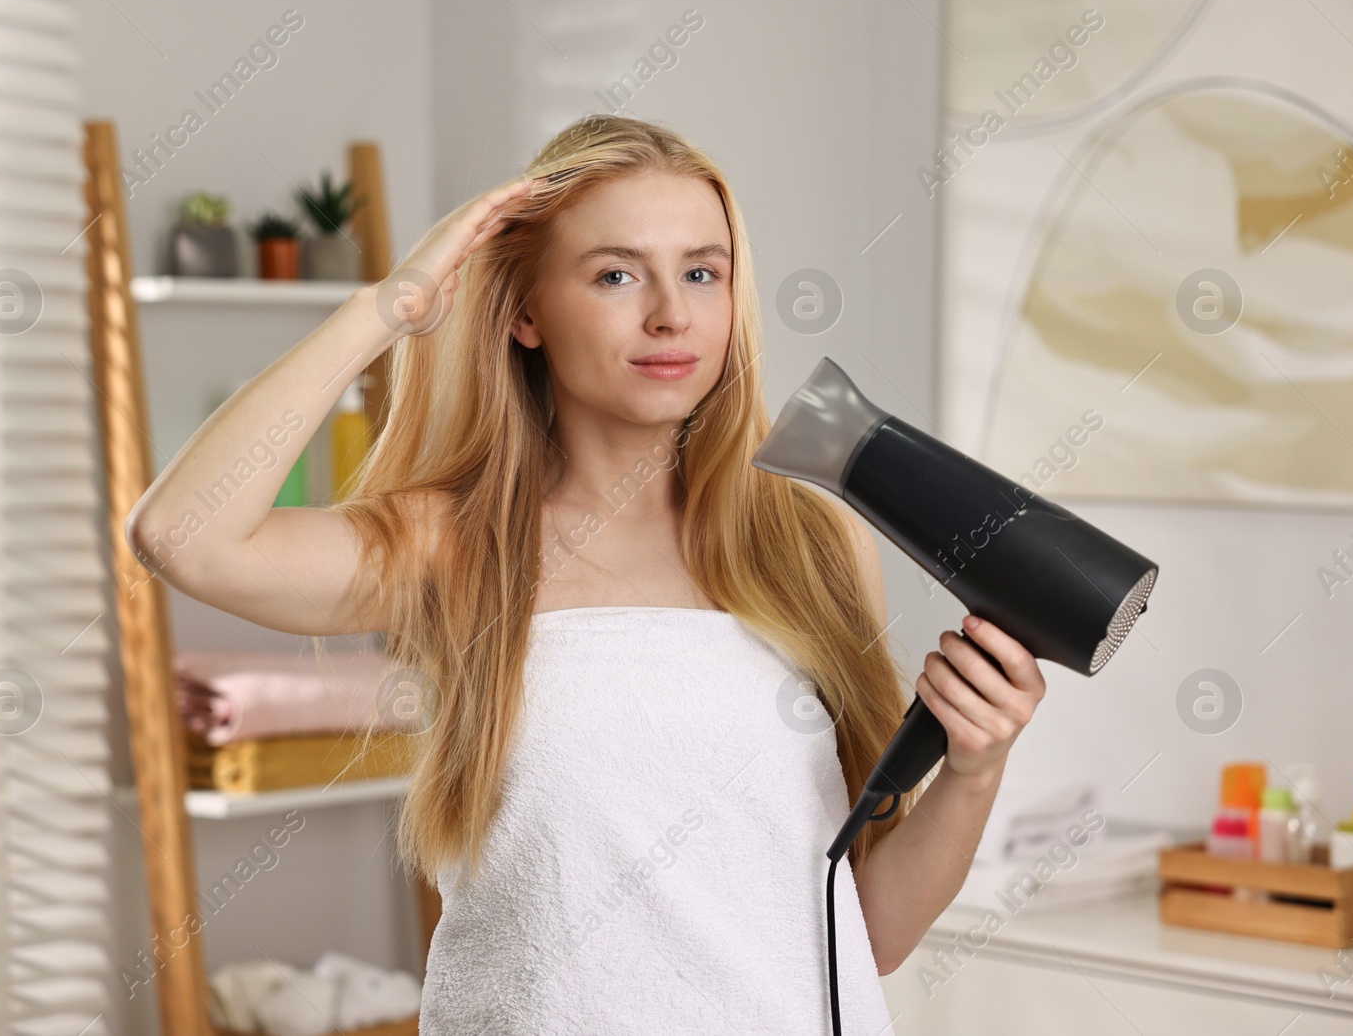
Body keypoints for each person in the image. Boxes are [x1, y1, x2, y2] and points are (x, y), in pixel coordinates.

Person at [127, 114, 1048, 1034]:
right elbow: (184, 536)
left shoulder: (812, 544)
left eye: (702, 272)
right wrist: (390, 306)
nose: (670, 314)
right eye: (616, 274)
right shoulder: (457, 543)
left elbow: (865, 935)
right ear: (524, 312)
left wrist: (974, 770)